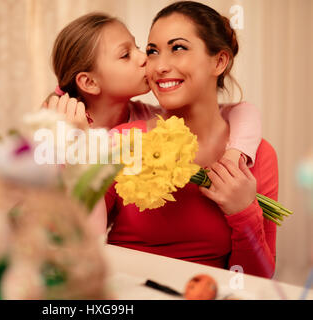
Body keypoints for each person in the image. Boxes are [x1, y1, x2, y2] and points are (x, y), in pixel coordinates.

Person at [103, 1, 278, 279]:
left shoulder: (256, 155)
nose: (159, 66)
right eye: (152, 52)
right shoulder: (125, 141)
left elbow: (257, 280)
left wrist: (244, 212)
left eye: (178, 48)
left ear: (219, 61)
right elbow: (77, 242)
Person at [43, 12, 261, 168]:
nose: (144, 58)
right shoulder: (56, 129)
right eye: (125, 55)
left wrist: (235, 153)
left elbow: (243, 111)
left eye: (139, 47)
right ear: (89, 82)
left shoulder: (148, 120)